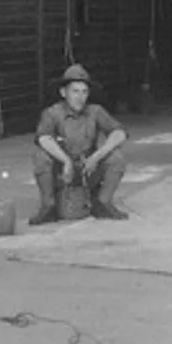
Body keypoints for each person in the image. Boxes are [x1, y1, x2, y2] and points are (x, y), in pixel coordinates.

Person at [32, 63, 129, 224]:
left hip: (88, 169)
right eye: (75, 91)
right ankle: (48, 205)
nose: (80, 97)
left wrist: (97, 157)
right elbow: (43, 138)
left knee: (117, 157)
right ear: (64, 93)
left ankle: (103, 202)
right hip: (62, 173)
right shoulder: (52, 113)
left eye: (84, 92)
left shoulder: (95, 111)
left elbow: (120, 133)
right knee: (41, 157)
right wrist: (66, 161)